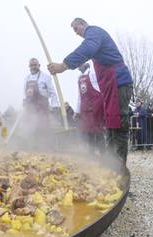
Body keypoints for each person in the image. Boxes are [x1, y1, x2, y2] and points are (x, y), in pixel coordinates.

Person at [48, 18, 133, 168]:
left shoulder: (94, 32)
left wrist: (64, 65)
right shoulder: (94, 36)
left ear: (82, 24)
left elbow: (87, 48)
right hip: (110, 87)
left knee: (119, 127)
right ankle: (111, 167)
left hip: (118, 82)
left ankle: (120, 173)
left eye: (76, 28)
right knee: (111, 128)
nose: (76, 32)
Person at [75, 62, 105, 154]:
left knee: (98, 130)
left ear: (85, 64)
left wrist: (100, 105)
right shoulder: (79, 78)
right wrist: (77, 111)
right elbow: (80, 96)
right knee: (88, 131)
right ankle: (91, 154)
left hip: (95, 106)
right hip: (85, 108)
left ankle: (103, 153)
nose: (78, 67)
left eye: (80, 64)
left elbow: (100, 90)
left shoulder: (92, 74)